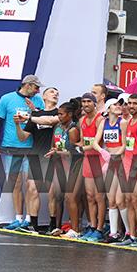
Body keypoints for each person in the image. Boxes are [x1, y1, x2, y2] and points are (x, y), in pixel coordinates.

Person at [0, 74, 45, 231]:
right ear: (27, 85)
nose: (38, 91)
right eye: (36, 87)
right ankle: (18, 218)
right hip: (12, 147)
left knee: (30, 184)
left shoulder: (38, 100)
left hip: (32, 147)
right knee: (16, 183)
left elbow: (43, 122)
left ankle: (29, 219)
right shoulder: (7, 99)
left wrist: (34, 110)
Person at [14, 86, 60, 232]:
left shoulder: (59, 113)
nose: (55, 94)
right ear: (44, 97)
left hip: (52, 156)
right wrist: (17, 125)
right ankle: (33, 225)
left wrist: (30, 117)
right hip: (36, 156)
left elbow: (50, 121)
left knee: (52, 193)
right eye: (52, 92)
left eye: (57, 93)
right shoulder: (36, 114)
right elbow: (23, 137)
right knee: (32, 190)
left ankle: (53, 225)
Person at [114, 94, 137, 248]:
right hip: (127, 163)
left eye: (135, 103)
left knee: (136, 201)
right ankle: (132, 234)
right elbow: (127, 145)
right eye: (129, 103)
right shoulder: (128, 121)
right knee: (128, 200)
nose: (131, 106)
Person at [91, 98, 129, 243]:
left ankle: (128, 231)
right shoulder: (104, 123)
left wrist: (115, 156)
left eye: (120, 104)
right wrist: (103, 151)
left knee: (120, 200)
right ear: (108, 109)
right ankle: (113, 233)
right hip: (109, 162)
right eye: (115, 104)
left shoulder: (123, 122)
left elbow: (125, 144)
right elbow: (95, 142)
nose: (119, 106)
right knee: (111, 200)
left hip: (120, 162)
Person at [45, 101, 80, 235]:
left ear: (69, 114)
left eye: (61, 114)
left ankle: (75, 228)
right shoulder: (57, 127)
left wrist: (57, 152)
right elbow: (53, 145)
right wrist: (53, 151)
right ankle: (57, 226)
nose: (59, 116)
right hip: (58, 164)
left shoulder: (73, 130)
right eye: (58, 114)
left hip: (72, 166)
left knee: (70, 197)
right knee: (58, 196)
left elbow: (74, 152)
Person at [79, 93, 106, 242]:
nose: (86, 104)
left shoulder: (100, 119)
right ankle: (92, 225)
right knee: (89, 196)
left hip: (98, 160)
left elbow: (97, 143)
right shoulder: (82, 120)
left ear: (95, 103)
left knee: (99, 196)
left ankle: (100, 229)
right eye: (83, 101)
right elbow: (83, 141)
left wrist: (80, 148)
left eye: (89, 101)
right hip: (87, 159)